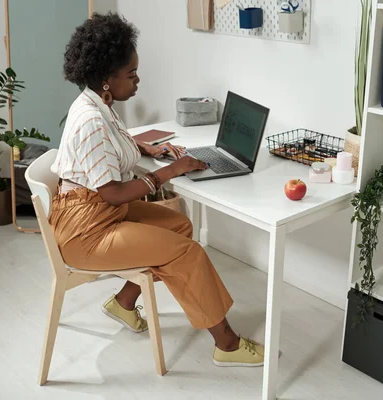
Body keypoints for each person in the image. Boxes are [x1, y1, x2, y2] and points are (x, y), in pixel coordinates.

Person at [50, 12, 264, 367]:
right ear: (107, 78)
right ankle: (226, 344)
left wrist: (143, 149)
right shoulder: (89, 120)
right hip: (86, 231)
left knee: (179, 225)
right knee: (188, 253)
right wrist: (170, 171)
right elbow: (114, 193)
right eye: (131, 73)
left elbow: (111, 146)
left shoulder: (97, 103)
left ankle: (123, 303)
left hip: (94, 212)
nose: (138, 80)